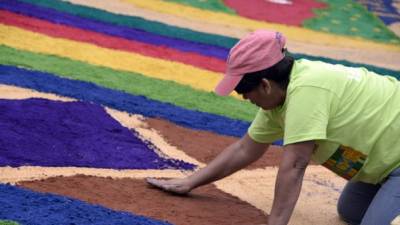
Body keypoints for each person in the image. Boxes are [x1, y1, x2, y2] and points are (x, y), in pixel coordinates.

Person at [146, 30, 400, 225]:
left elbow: (295, 164)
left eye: (244, 92)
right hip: (384, 164)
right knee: (351, 211)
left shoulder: (307, 91)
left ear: (265, 85)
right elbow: (245, 149)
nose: (245, 99)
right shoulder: (280, 99)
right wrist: (189, 182)